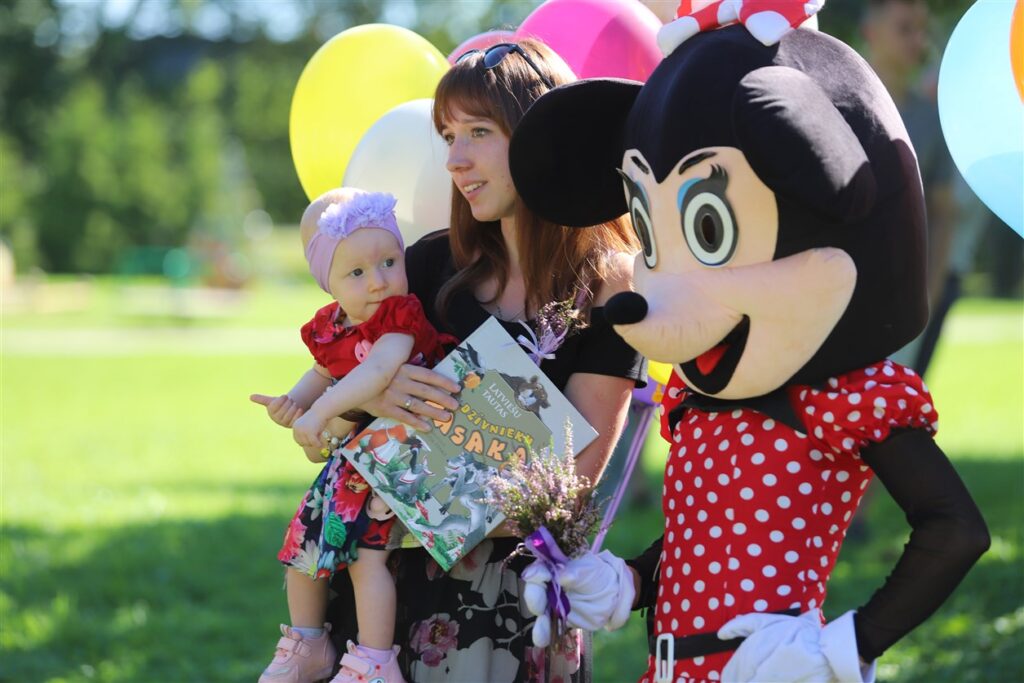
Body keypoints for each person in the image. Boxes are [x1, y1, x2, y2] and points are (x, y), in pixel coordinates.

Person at [324, 39, 645, 682]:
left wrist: (441, 501)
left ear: (540, 135)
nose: (455, 159)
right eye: (448, 136)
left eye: (478, 132)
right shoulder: (425, 267)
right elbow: (328, 430)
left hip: (513, 606)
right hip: (385, 597)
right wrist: (372, 396)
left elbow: (574, 481)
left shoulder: (613, 290)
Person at [251, 188, 455, 683]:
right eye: (357, 273)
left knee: (367, 558)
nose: (379, 281)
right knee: (302, 546)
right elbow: (321, 373)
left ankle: (375, 661)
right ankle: (308, 643)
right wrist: (294, 403)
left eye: (389, 262)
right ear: (330, 284)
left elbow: (379, 372)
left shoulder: (399, 318)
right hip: (354, 462)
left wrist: (321, 411)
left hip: (405, 457)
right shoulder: (333, 326)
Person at [862, 0, 964, 376]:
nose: (917, 40)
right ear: (872, 33)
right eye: (905, 28)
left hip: (905, 300)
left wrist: (928, 297)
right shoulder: (831, 104)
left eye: (921, 30)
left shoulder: (932, 120)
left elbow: (943, 215)